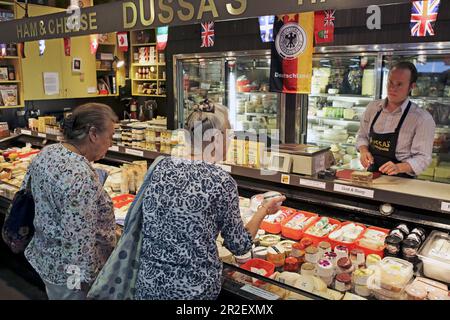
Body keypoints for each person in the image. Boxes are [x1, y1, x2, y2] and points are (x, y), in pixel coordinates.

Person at [134, 101, 285, 300]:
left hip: (148, 283)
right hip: (192, 290)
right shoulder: (221, 181)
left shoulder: (161, 166)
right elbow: (239, 245)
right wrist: (263, 210)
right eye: (229, 135)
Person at [23, 103, 118, 299]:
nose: (111, 143)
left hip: (46, 258)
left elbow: (26, 192)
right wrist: (80, 286)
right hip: (71, 277)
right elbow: (78, 241)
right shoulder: (80, 176)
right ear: (93, 134)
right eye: (110, 136)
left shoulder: (47, 153)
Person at [356, 61, 436, 178]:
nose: (393, 88)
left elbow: (423, 158)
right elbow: (362, 136)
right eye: (390, 82)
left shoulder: (422, 119)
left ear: (412, 86)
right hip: (371, 175)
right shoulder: (372, 108)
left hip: (401, 180)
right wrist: (363, 151)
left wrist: (398, 167)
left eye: (399, 84)